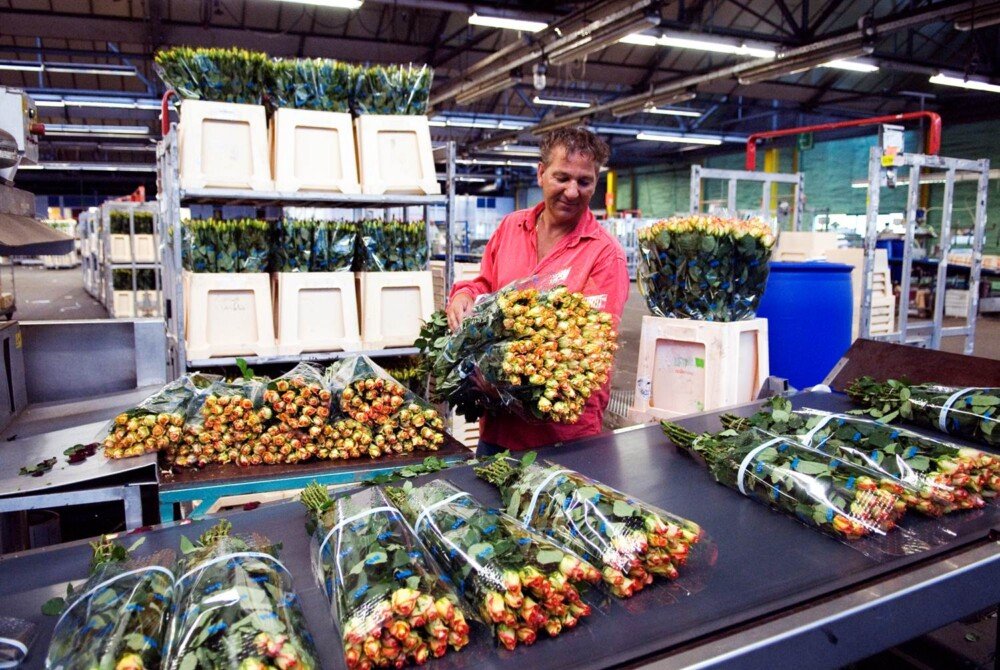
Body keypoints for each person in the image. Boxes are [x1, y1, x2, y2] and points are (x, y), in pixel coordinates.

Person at [446, 127, 630, 457]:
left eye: (584, 182)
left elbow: (588, 353)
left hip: (562, 437)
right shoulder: (510, 228)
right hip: (498, 427)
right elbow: (484, 285)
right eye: (562, 177)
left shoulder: (604, 254)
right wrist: (463, 294)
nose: (572, 192)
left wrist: (504, 376)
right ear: (541, 173)